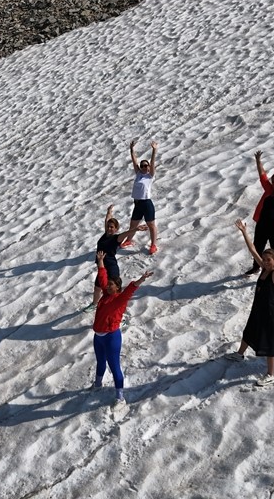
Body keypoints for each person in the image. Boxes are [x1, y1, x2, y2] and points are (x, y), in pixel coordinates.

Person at [227, 219, 274, 387]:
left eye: (269, 260)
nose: (265, 262)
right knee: (249, 331)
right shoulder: (263, 270)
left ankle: (270, 374)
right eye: (264, 259)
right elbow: (252, 249)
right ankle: (240, 354)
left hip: (270, 314)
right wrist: (244, 232)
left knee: (269, 342)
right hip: (258, 309)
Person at [92, 250, 153, 405]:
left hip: (111, 337)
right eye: (108, 285)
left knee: (114, 366)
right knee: (100, 362)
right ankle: (97, 385)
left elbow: (130, 289)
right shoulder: (106, 295)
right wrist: (100, 261)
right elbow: (102, 276)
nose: (108, 287)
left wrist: (141, 279)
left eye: (111, 285)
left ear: (117, 287)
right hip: (98, 336)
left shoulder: (120, 299)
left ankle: (120, 396)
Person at [83, 204, 147, 312]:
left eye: (112, 227)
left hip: (111, 268)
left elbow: (127, 233)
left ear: (116, 229)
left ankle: (119, 312)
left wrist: (136, 229)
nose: (109, 228)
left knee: (114, 292)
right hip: (101, 266)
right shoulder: (105, 235)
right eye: (108, 226)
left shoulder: (116, 238)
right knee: (97, 287)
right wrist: (109, 211)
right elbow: (107, 219)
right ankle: (94, 304)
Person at [121, 139, 159, 254]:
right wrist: (131, 149)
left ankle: (153, 245)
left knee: (151, 225)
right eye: (142, 166)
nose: (144, 167)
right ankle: (129, 240)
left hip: (146, 203)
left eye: (145, 166)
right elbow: (134, 160)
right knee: (133, 224)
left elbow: (152, 163)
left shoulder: (150, 176)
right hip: (137, 203)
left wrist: (154, 151)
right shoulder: (138, 174)